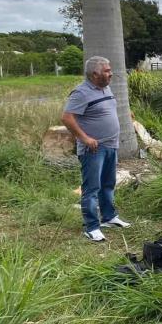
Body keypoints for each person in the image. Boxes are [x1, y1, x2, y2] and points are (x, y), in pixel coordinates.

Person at [61, 56, 131, 242]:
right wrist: (85, 138)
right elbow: (67, 118)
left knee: (108, 184)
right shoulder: (81, 93)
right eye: (107, 71)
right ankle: (91, 227)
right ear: (95, 74)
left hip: (110, 145)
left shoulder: (105, 87)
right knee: (92, 188)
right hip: (93, 149)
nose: (111, 73)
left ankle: (109, 217)